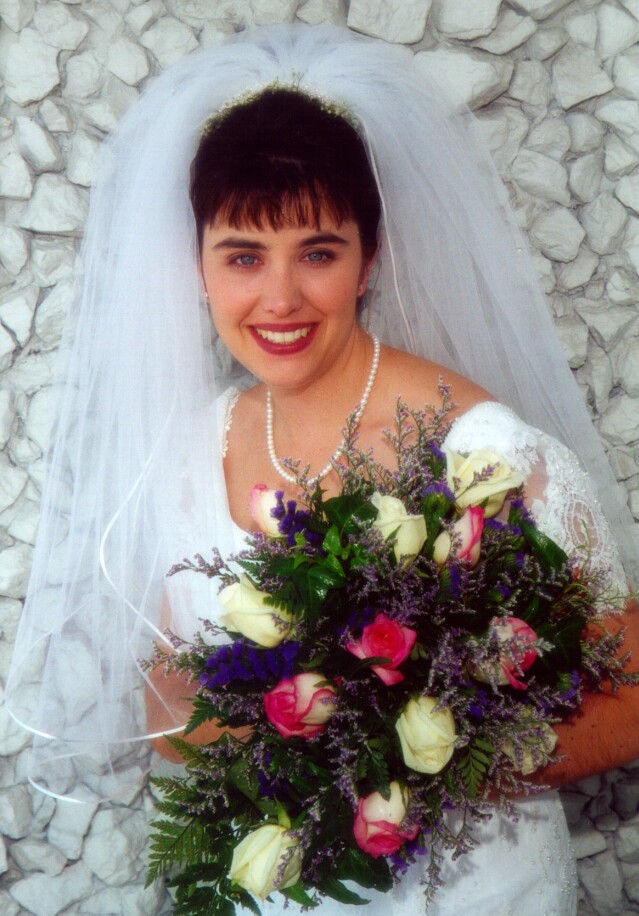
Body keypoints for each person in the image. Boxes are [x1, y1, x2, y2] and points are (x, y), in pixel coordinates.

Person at [6, 24, 639, 915]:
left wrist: (413, 768)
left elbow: (629, 692)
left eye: (317, 252)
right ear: (197, 267)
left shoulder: (483, 453)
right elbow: (166, 692)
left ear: (367, 259)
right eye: (243, 256)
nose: (279, 298)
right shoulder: (187, 454)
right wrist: (285, 758)